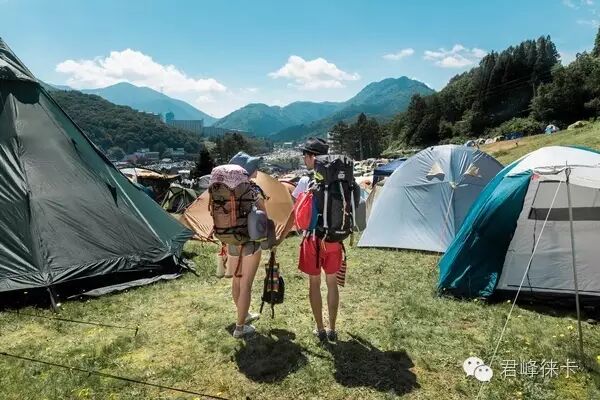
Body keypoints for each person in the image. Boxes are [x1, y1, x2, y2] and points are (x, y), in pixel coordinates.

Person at [293, 137, 343, 342]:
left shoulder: (306, 181)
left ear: (312, 156)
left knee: (314, 283)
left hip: (312, 238)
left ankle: (320, 329)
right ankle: (332, 328)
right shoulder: (340, 178)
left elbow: (297, 210)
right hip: (333, 238)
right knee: (332, 283)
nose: (304, 159)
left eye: (305, 155)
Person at [226, 151, 266, 339]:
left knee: (236, 281)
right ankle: (240, 328)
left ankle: (244, 314)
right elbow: (264, 216)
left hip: (231, 240)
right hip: (250, 243)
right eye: (254, 166)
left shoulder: (226, 189)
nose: (256, 169)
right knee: (246, 285)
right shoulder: (253, 190)